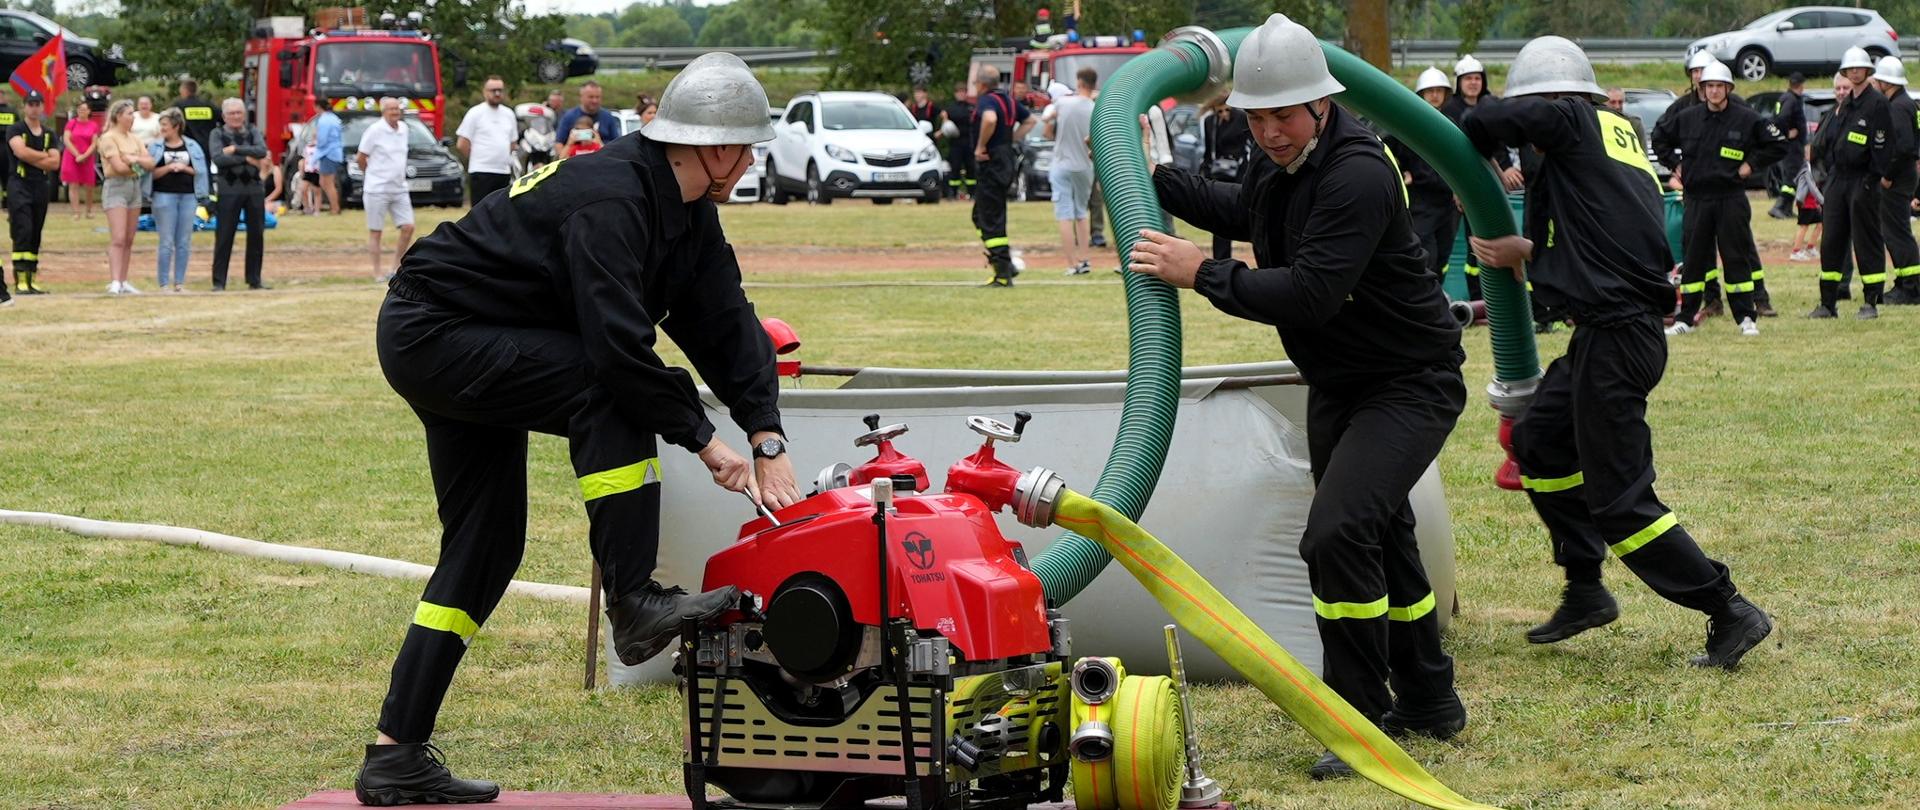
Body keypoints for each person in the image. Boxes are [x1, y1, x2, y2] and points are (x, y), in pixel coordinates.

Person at [355, 53, 796, 805]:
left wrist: (764, 434)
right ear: (716, 149)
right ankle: (634, 600)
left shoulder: (688, 215)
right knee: (609, 386)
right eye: (747, 148)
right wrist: (704, 438)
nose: (749, 162)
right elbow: (618, 349)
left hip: (482, 335)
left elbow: (726, 323)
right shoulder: (613, 200)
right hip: (435, 331)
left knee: (486, 549)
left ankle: (395, 752)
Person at [1128, 14, 1467, 780]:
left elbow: (1311, 294)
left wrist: (1201, 273)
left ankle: (1354, 720)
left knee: (1336, 533)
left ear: (1321, 103)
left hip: (1408, 383)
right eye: (1256, 116)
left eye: (1283, 115)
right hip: (1342, 381)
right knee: (1381, 536)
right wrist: (1155, 179)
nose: (1270, 132)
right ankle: (1428, 699)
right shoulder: (1283, 162)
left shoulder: (1356, 171)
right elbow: (1249, 212)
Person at [1462, 36, 1772, 674]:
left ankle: (1729, 607)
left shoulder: (1571, 118)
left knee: (1621, 500)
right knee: (1540, 441)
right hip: (1604, 330)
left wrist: (1481, 139)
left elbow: (1489, 119)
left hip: (1618, 333)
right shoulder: (1612, 132)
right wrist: (1532, 252)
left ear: (1553, 99)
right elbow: (1604, 231)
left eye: (1537, 111)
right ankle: (1586, 589)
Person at [1653, 59, 1786, 337]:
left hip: (1731, 198)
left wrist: (1751, 165)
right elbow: (1659, 138)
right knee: (1694, 258)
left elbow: (1778, 144)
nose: (1713, 91)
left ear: (1728, 88)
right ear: (1702, 88)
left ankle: (1746, 317)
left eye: (1719, 86)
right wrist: (1675, 164)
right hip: (1697, 199)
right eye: (1708, 86)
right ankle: (1686, 318)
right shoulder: (1687, 118)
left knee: (1736, 256)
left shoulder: (1746, 118)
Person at [1809, 47, 1891, 319]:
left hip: (1862, 180)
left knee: (1866, 240)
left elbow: (1882, 145)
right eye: (1850, 69)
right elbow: (1829, 142)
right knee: (1831, 239)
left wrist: (1871, 180)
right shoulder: (1844, 105)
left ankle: (1871, 302)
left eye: (1859, 68)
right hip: (1838, 179)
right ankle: (1828, 302)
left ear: (1868, 71)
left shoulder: (1877, 103)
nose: (1855, 73)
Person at [1441, 54, 1519, 301]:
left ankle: (1497, 296)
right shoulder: (1450, 110)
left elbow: (1499, 145)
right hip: (1464, 184)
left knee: (1497, 235)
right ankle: (1477, 298)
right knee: (1474, 241)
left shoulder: (1490, 105)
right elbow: (1450, 152)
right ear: (1459, 82)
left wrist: (1506, 168)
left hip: (1493, 183)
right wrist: (1457, 188)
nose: (1473, 83)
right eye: (1468, 78)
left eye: (1477, 78)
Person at [1387, 67, 1458, 285]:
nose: (1435, 95)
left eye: (1439, 91)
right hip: (1421, 202)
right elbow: (1384, 150)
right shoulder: (1408, 126)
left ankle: (1439, 297)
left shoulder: (1451, 125)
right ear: (1421, 95)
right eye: (1430, 91)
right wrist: (1399, 172)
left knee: (1444, 253)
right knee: (1427, 253)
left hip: (1447, 203)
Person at [971, 64, 1033, 287]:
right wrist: (1011, 139)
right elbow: (1030, 121)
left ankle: (1003, 272)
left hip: (992, 163)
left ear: (982, 84)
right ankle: (1004, 263)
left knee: (990, 217)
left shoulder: (987, 101)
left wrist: (981, 146)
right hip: (1004, 160)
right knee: (981, 215)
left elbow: (989, 120)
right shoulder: (1008, 100)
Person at [1870, 56, 1920, 305]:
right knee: (1895, 231)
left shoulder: (1898, 107)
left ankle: (1911, 287)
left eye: (1878, 79)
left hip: (1897, 179)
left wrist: (1887, 175)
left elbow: (1903, 147)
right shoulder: (1907, 103)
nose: (1876, 83)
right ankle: (1905, 282)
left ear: (1886, 82)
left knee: (1897, 232)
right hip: (1905, 176)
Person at [144, 108, 209, 294]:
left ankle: (179, 283)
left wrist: (185, 168)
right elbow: (150, 174)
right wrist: (169, 167)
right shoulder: (155, 147)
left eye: (165, 125)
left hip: (188, 196)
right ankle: (164, 283)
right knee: (166, 241)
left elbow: (200, 171)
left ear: (176, 126)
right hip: (163, 196)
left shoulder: (193, 146)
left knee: (183, 241)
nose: (162, 128)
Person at [208, 98, 270, 291]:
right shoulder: (217, 133)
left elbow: (262, 151)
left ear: (244, 114)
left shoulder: (253, 131)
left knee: (256, 235)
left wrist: (235, 150)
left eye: (239, 113)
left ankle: (254, 279)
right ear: (224, 116)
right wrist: (247, 159)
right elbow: (218, 158)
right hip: (228, 189)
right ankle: (219, 282)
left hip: (254, 189)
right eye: (231, 113)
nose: (235, 116)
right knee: (224, 235)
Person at [96, 99, 154, 295]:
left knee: (129, 238)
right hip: (116, 187)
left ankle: (123, 279)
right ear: (118, 116)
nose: (132, 117)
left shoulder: (134, 138)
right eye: (129, 113)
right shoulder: (108, 138)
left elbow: (150, 162)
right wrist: (135, 163)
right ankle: (114, 280)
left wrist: (133, 159)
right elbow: (118, 167)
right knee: (118, 237)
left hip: (134, 186)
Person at [359, 98, 417, 282]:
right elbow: (361, 157)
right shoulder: (375, 130)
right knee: (376, 231)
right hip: (377, 188)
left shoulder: (404, 129)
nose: (395, 112)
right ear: (383, 111)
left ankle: (395, 268)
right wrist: (371, 174)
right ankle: (377, 272)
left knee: (408, 227)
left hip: (399, 187)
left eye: (397, 109)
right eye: (391, 109)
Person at [8, 90, 58, 296]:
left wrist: (36, 157)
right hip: (20, 184)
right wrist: (43, 156)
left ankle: (32, 277)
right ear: (24, 106)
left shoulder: (49, 133)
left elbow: (55, 162)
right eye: (31, 104)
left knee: (36, 231)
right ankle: (19, 277)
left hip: (40, 185)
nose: (34, 108)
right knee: (23, 229)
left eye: (38, 104)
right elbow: (20, 152)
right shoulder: (16, 129)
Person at [1048, 68, 1096, 275]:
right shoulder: (1095, 107)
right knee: (1081, 213)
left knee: (1064, 215)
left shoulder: (1064, 103)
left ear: (1079, 83)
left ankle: (1071, 263)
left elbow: (1047, 120)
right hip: (1085, 165)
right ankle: (1085, 259)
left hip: (1061, 164)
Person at [1199, 92, 1251, 260]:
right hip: (1219, 174)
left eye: (1226, 110)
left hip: (1240, 174)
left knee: (1251, 219)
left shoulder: (1243, 118)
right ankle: (1221, 260)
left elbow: (1248, 147)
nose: (1224, 114)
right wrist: (1206, 173)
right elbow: (1208, 151)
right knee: (1219, 220)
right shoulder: (1210, 122)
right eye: (1219, 111)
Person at [456, 76, 518, 205]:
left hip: (503, 171)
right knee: (480, 213)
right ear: (485, 92)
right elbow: (462, 143)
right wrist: (477, 158)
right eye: (493, 90)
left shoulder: (509, 114)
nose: (497, 93)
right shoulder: (475, 113)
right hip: (481, 171)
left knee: (501, 212)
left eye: (500, 90)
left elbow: (512, 143)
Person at [1768, 73, 1808, 220]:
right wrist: (1786, 133)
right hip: (1792, 147)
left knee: (1793, 178)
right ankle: (1778, 207)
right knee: (1790, 178)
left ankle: (1787, 209)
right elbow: (1782, 118)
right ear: (1801, 85)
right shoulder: (1791, 100)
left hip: (1791, 146)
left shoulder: (1785, 98)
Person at [60, 102, 99, 220]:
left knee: (89, 185)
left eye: (84, 109)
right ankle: (76, 212)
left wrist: (85, 155)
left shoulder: (93, 125)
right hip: (72, 156)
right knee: (73, 184)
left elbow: (94, 143)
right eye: (79, 109)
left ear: (89, 111)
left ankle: (89, 210)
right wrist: (77, 155)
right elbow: (66, 139)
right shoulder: (71, 123)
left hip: (87, 157)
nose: (81, 111)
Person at [557, 81, 621, 145]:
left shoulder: (608, 117)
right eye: (591, 97)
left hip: (602, 153)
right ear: (581, 97)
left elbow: (616, 144)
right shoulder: (569, 117)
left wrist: (599, 144)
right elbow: (559, 143)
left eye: (597, 97)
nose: (594, 100)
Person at [940, 81, 974, 200]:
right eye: (959, 92)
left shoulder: (971, 107)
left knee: (971, 169)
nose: (961, 94)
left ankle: (972, 193)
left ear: (966, 93)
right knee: (955, 169)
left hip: (969, 143)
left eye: (963, 92)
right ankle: (952, 193)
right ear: (955, 94)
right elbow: (946, 124)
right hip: (956, 144)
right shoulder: (950, 108)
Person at [313, 105, 345, 216]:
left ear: (318, 107)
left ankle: (335, 208)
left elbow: (322, 140)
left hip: (328, 153)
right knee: (324, 182)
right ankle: (333, 207)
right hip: (333, 153)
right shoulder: (334, 118)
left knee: (328, 183)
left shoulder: (324, 120)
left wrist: (315, 142)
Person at [170, 79, 218, 149]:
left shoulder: (179, 105)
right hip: (208, 145)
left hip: (186, 146)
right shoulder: (209, 105)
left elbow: (169, 122)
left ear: (184, 90)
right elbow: (223, 119)